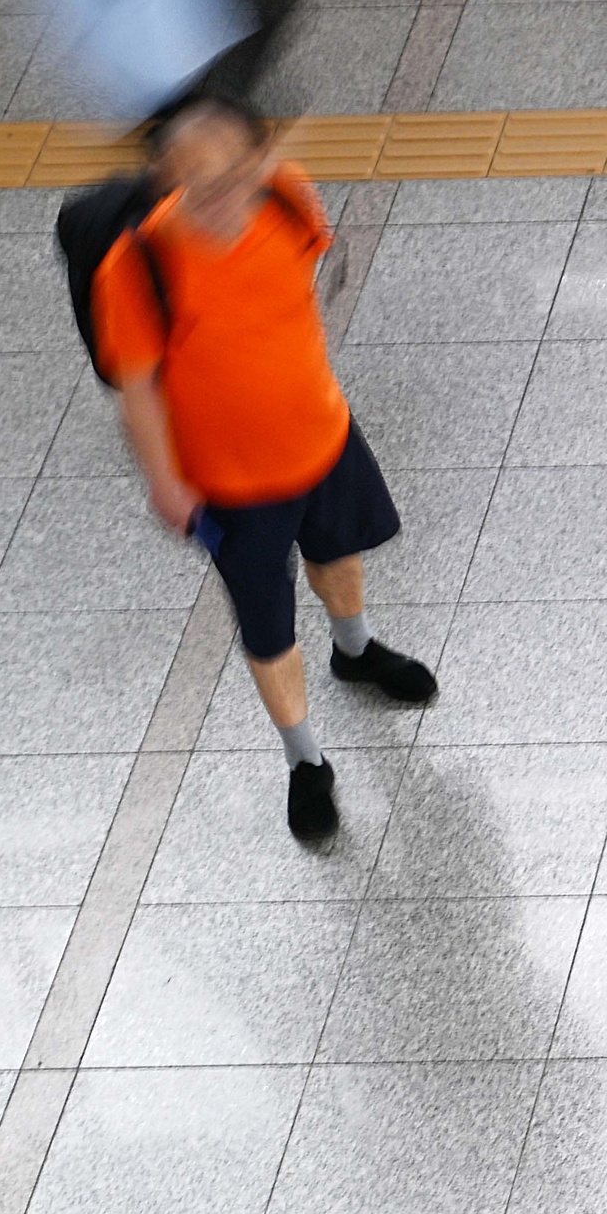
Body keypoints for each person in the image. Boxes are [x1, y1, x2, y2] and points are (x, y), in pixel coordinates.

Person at [94, 91, 435, 844]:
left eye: (229, 177)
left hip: (324, 438)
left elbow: (300, 284)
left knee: (338, 554)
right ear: (165, 177)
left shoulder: (286, 196)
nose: (214, 199)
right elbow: (139, 391)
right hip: (231, 486)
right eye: (193, 183)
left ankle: (355, 650)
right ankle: (305, 761)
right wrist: (164, 481)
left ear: (258, 162)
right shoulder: (138, 264)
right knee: (267, 626)